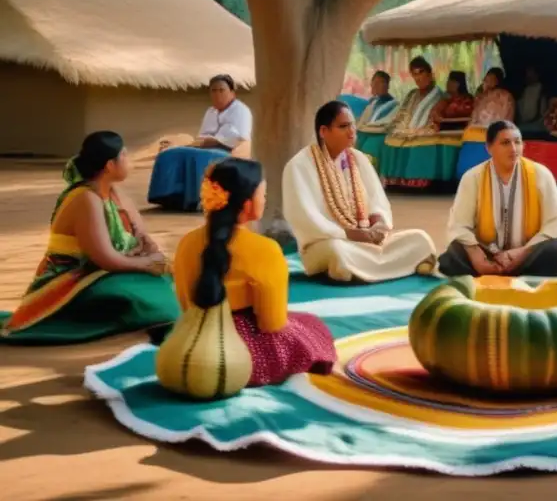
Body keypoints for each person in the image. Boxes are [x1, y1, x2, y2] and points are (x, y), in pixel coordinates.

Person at [1, 132, 179, 344]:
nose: (129, 160)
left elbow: (139, 235)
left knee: (168, 280)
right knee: (136, 295)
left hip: (106, 272)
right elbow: (105, 259)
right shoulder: (86, 198)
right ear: (110, 165)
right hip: (73, 280)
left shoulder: (115, 194)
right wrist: (147, 263)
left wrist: (147, 248)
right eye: (124, 156)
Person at [173, 159, 337, 386]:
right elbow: (272, 323)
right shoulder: (265, 250)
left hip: (191, 344)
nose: (266, 198)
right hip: (241, 355)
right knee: (312, 327)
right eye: (264, 193)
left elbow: (185, 304)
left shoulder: (186, 243)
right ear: (248, 203)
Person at [283, 101, 437, 283]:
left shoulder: (359, 159)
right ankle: (394, 266)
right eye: (343, 126)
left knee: (420, 239)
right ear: (324, 132)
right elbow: (305, 218)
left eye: (353, 125)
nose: (351, 132)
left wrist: (378, 225)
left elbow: (377, 201)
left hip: (367, 242)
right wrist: (349, 234)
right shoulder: (299, 166)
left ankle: (365, 270)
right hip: (326, 244)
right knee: (338, 252)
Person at [441, 120, 557, 277]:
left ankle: (518, 275)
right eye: (505, 143)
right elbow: (459, 225)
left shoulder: (540, 174)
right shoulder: (472, 177)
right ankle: (488, 271)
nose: (513, 149)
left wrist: (522, 253)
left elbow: (556, 223)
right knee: (454, 251)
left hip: (526, 255)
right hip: (486, 256)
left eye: (517, 142)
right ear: (489, 148)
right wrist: (476, 256)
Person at [148, 74, 253, 210]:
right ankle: (169, 196)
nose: (217, 94)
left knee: (198, 156)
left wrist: (214, 141)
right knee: (168, 154)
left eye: (221, 90)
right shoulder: (210, 112)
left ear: (232, 93)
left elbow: (241, 138)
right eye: (213, 91)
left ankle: (197, 200)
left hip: (229, 151)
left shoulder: (241, 110)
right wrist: (199, 143)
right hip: (205, 147)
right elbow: (203, 136)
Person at [379, 57, 457, 188]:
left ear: (429, 74)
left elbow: (439, 117)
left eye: (421, 72)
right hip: (408, 129)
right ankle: (395, 180)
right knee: (391, 139)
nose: (418, 78)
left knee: (421, 139)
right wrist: (401, 128)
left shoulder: (441, 96)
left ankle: (419, 180)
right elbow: (402, 114)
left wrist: (420, 130)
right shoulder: (412, 94)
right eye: (414, 74)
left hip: (428, 129)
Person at [456, 67, 516, 179]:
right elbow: (475, 115)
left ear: (497, 80)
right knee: (469, 133)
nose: (487, 81)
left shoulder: (505, 95)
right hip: (477, 127)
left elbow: (507, 115)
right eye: (486, 79)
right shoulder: (482, 96)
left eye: (490, 79)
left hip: (495, 127)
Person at [355, 70, 398, 166]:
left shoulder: (395, 105)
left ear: (387, 85)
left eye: (380, 82)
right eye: (373, 83)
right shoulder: (373, 102)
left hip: (380, 135)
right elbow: (362, 121)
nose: (375, 86)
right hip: (364, 133)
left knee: (369, 151)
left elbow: (388, 124)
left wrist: (367, 128)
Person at [516, 65, 547, 130]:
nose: (528, 76)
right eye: (527, 73)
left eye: (531, 73)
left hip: (536, 124)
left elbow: (543, 112)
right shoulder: (525, 90)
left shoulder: (541, 90)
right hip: (523, 123)